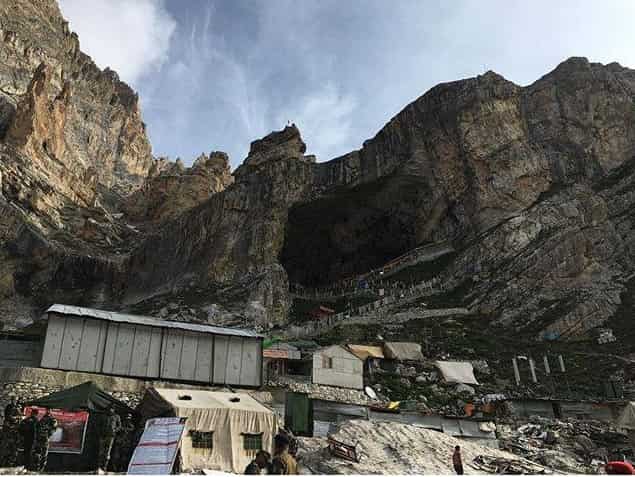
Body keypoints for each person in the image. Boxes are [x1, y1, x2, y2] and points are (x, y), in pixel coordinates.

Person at [32, 408, 57, 472]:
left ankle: (41, 469)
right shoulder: (42, 418)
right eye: (47, 410)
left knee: (43, 455)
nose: (48, 411)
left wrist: (47, 434)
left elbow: (54, 429)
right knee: (37, 453)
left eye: (49, 410)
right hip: (38, 438)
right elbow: (37, 427)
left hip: (44, 439)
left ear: (51, 411)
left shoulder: (52, 419)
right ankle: (35, 467)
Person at [98, 406, 122, 471]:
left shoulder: (116, 416)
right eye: (109, 409)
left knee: (107, 453)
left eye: (112, 409)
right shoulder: (103, 416)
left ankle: (104, 467)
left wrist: (114, 430)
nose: (110, 410)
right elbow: (99, 425)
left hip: (111, 436)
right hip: (103, 435)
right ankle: (99, 467)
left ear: (114, 410)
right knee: (101, 452)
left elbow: (119, 426)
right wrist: (101, 431)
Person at [0, 398, 22, 467]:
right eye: (14, 400)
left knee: (13, 449)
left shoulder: (17, 408)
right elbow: (9, 417)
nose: (15, 402)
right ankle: (3, 463)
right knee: (5, 448)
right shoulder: (10, 407)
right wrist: (17, 418)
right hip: (9, 432)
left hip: (14, 432)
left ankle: (9, 463)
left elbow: (18, 419)